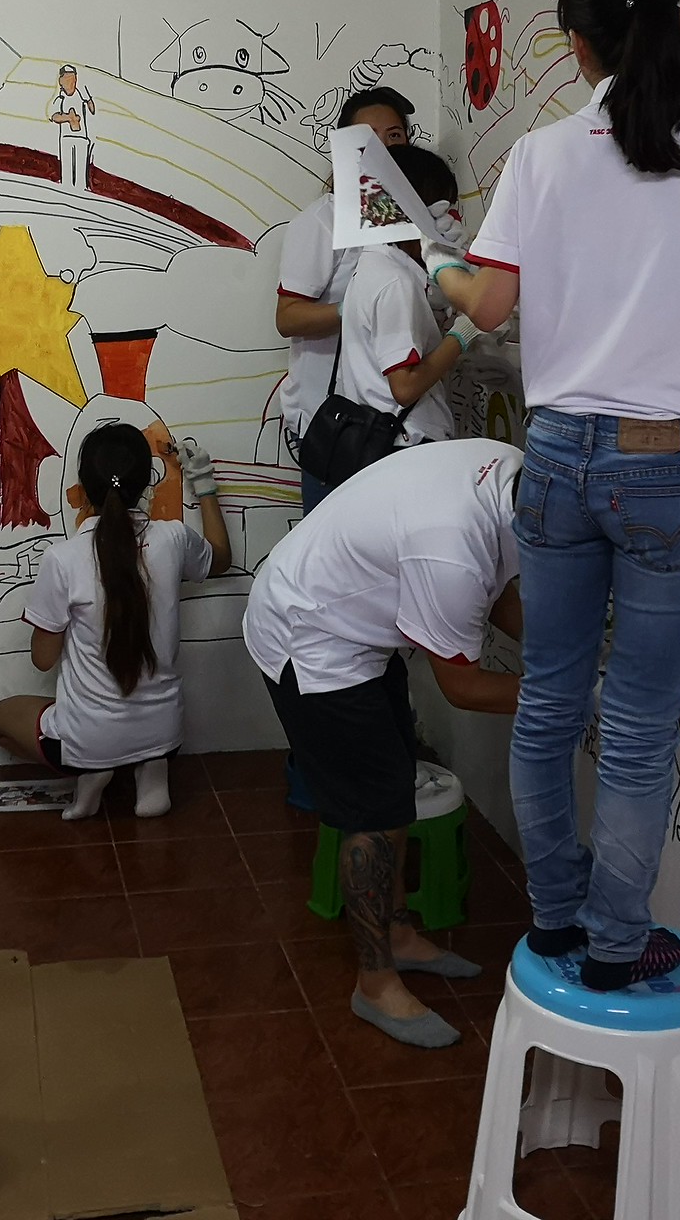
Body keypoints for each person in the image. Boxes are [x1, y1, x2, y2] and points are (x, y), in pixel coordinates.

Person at [432, 0, 680, 991]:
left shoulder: (544, 156)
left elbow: (492, 306)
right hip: (677, 469)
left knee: (547, 698)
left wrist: (442, 268)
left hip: (558, 455)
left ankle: (554, 916)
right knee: (639, 724)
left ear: (575, 44)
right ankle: (612, 941)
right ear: (674, 28)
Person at [245, 438, 523, 1048]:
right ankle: (374, 985)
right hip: (311, 640)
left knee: (394, 784)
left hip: (352, 622)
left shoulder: (511, 472)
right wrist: (572, 694)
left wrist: (567, 652)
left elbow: (502, 590)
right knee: (373, 812)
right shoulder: (451, 551)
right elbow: (465, 687)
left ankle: (397, 935)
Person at [0, 422, 231, 821]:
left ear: (83, 489)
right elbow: (220, 558)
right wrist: (203, 483)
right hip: (166, 734)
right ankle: (152, 775)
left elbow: (43, 659)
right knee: (142, 733)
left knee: (2, 716)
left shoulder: (63, 558)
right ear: (147, 484)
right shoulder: (172, 539)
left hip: (88, 739)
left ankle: (93, 772)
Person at [274, 87, 413, 514]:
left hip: (399, 421)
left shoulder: (416, 218)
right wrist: (358, 310)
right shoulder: (322, 220)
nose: (382, 148)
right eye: (367, 137)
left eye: (393, 136)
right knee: (337, 565)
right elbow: (288, 317)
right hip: (337, 426)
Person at [331, 142, 482, 455]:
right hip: (407, 444)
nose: (451, 221)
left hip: (384, 442)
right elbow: (405, 387)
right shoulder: (395, 281)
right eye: (447, 210)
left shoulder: (375, 264)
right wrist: (462, 335)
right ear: (419, 209)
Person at [49, 64, 96, 190]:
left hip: (81, 137)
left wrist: (89, 99)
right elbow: (53, 116)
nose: (70, 83)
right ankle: (67, 191)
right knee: (67, 172)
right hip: (66, 138)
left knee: (81, 173)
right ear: (61, 81)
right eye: (67, 80)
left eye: (72, 80)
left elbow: (92, 109)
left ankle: (80, 190)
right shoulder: (60, 98)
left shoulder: (81, 95)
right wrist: (68, 118)